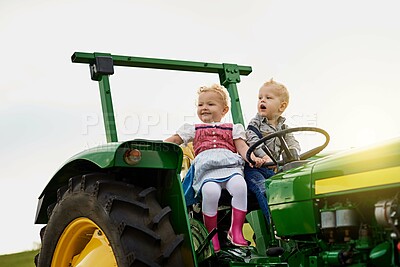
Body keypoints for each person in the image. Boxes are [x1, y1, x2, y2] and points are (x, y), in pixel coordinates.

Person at [165, 84, 264, 252]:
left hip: (231, 168)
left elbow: (242, 147)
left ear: (224, 110)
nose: (204, 108)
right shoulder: (193, 129)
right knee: (211, 192)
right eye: (200, 104)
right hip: (207, 171)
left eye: (210, 104)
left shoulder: (233, 128)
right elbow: (174, 140)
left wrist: (253, 157)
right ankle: (212, 235)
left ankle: (236, 230)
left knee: (240, 187)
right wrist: (156, 146)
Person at [244, 78, 300, 224]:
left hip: (275, 168)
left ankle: (296, 222)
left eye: (268, 98)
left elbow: (292, 142)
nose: (262, 100)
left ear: (281, 107)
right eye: (260, 98)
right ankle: (274, 225)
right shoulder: (255, 123)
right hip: (256, 168)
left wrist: (294, 152)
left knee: (293, 187)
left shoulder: (284, 128)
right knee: (264, 189)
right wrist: (265, 157)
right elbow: (253, 141)